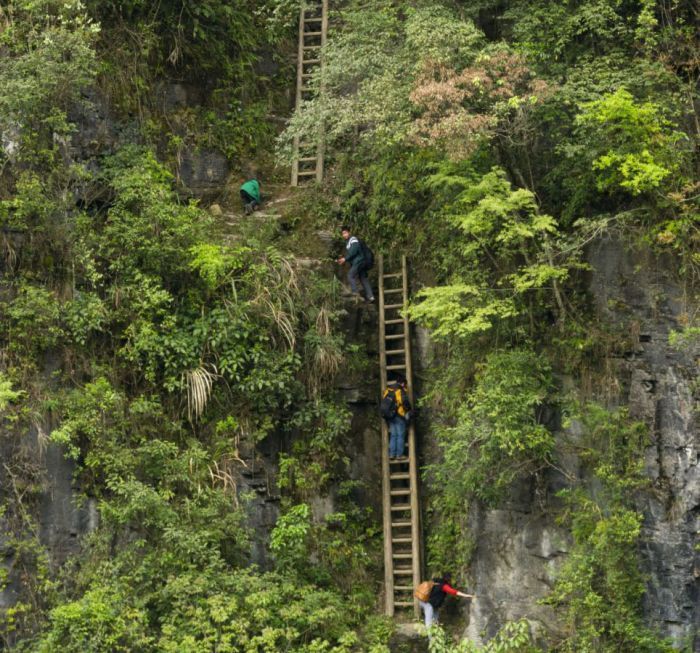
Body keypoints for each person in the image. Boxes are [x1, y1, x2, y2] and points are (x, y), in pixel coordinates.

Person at [336, 225, 374, 303]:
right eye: (343, 234)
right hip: (360, 261)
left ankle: (355, 293)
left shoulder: (353, 239)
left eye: (345, 233)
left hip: (359, 261)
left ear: (349, 233)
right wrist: (343, 259)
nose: (344, 235)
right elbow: (351, 254)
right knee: (363, 278)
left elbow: (354, 251)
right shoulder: (348, 242)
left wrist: (345, 259)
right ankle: (370, 297)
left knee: (350, 275)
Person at [382, 375, 411, 459]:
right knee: (400, 435)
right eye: (404, 384)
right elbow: (405, 402)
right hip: (398, 415)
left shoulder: (388, 390)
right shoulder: (399, 391)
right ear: (402, 383)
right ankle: (399, 455)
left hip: (389, 416)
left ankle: (392, 454)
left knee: (393, 435)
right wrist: (409, 410)